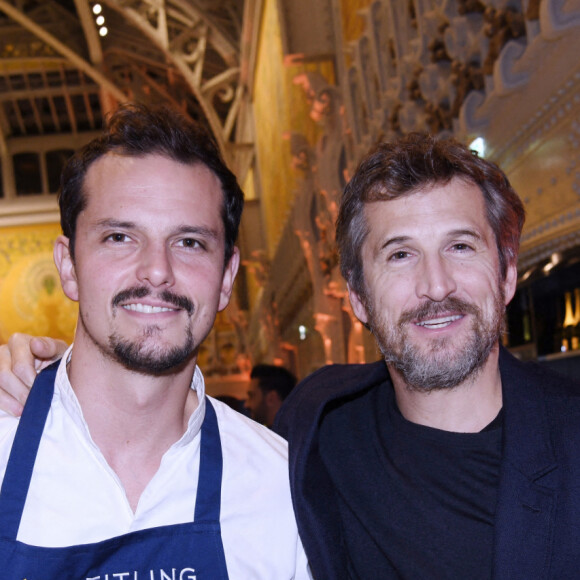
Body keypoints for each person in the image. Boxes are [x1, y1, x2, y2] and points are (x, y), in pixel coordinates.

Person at [4, 133, 580, 578]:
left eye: (190, 242)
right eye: (119, 237)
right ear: (356, 294)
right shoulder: (321, 437)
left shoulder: (276, 474)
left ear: (507, 274)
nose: (435, 284)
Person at [0, 103, 308, 578]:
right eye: (121, 237)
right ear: (68, 267)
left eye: (190, 243)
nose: (157, 271)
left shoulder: (280, 488)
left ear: (226, 277)